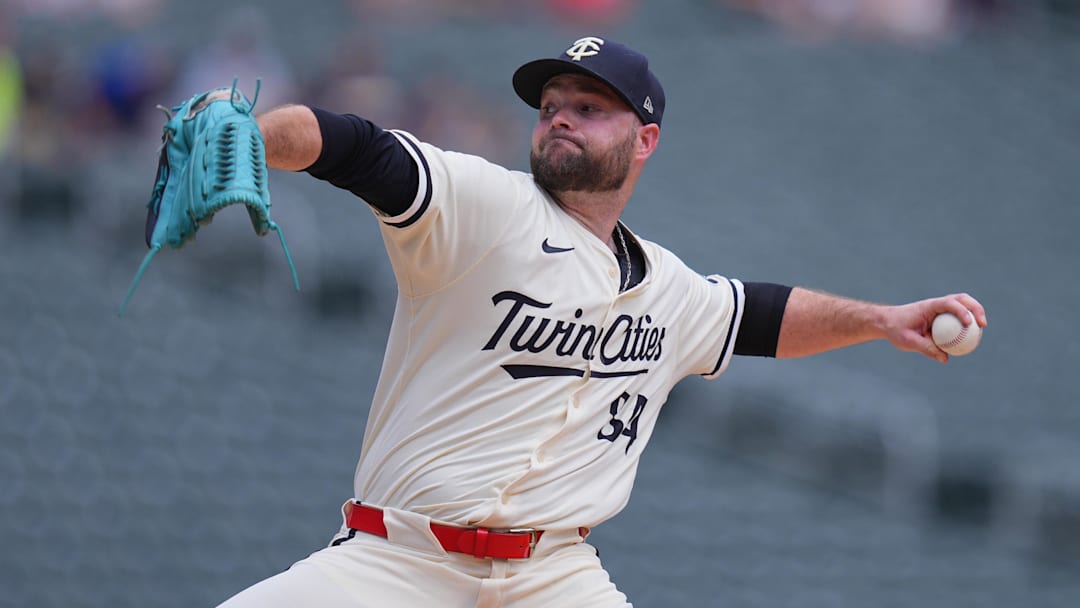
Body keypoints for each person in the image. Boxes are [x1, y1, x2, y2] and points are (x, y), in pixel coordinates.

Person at [217, 35, 987, 607]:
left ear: (645, 139)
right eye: (550, 107)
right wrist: (252, 136)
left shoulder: (669, 288)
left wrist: (883, 319)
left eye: (588, 108)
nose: (559, 120)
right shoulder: (483, 206)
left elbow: (764, 315)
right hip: (396, 561)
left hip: (552, 577)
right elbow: (354, 147)